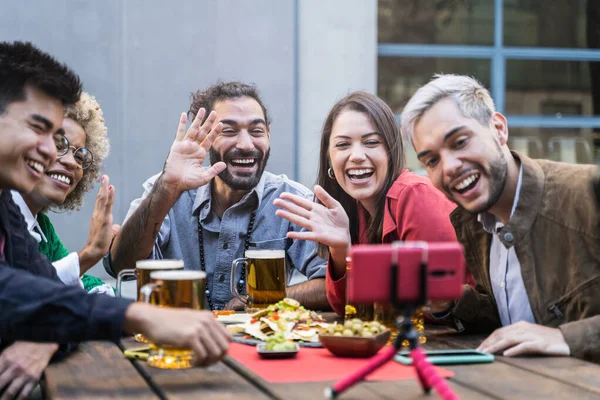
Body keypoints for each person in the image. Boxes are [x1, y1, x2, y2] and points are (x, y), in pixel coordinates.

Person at [0, 41, 230, 399]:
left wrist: (48, 334)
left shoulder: (7, 207)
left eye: (64, 143)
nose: (50, 152)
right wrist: (138, 315)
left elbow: (49, 293)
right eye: (38, 129)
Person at [400, 74, 600, 362]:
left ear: (498, 128)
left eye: (459, 142)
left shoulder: (587, 193)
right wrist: (451, 301)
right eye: (432, 160)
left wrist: (564, 337)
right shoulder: (474, 223)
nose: (449, 167)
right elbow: (516, 315)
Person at [107, 82, 328, 311]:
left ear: (269, 135)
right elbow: (122, 265)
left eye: (257, 131)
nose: (245, 144)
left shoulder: (292, 199)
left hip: (260, 343)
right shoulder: (165, 188)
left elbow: (330, 286)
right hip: (176, 342)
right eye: (228, 131)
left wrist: (262, 298)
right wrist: (166, 189)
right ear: (206, 137)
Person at [273, 91, 466, 315]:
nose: (356, 155)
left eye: (371, 142)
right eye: (343, 145)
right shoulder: (355, 209)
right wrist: (340, 249)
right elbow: (347, 308)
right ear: (329, 157)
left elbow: (437, 302)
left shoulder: (415, 195)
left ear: (391, 150)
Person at [12, 92, 116, 295]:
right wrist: (91, 251)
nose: (72, 162)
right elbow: (19, 293)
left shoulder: (41, 227)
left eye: (81, 155)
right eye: (59, 145)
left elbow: (80, 279)